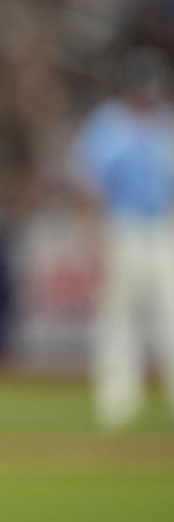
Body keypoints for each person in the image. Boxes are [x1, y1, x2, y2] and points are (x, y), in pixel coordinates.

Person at [71, 45, 174, 429]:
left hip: (163, 227)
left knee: (171, 314)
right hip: (122, 226)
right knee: (116, 315)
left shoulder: (166, 123)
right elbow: (89, 185)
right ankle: (117, 402)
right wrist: (93, 235)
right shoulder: (108, 123)